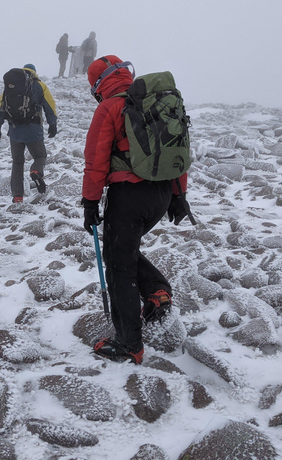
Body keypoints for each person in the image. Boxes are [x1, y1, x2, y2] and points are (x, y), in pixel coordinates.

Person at [81, 55, 189, 365]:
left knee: (119, 267)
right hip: (162, 193)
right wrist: (179, 195)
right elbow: (177, 152)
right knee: (121, 250)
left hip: (129, 195)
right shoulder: (157, 104)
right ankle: (156, 291)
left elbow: (96, 161)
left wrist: (90, 202)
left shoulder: (110, 108)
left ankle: (129, 343)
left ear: (98, 85)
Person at [0, 64, 58, 203]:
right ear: (34, 72)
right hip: (33, 130)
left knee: (17, 162)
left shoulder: (11, 86)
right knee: (40, 155)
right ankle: (35, 171)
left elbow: (1, 106)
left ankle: (17, 196)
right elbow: (49, 105)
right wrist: (52, 124)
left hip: (15, 131)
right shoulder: (40, 86)